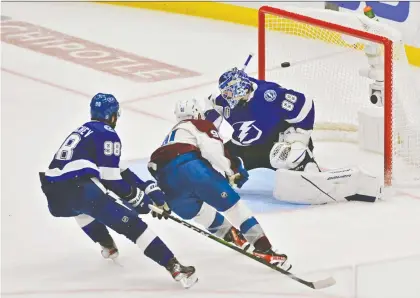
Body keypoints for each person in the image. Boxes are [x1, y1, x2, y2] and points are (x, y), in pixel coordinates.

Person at [39, 93, 198, 289]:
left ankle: (108, 247)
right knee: (134, 226)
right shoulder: (107, 134)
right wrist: (138, 199)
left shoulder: (84, 132)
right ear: (113, 116)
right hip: (80, 188)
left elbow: (121, 171)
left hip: (54, 193)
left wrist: (152, 193)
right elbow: (111, 179)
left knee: (81, 211)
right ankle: (174, 266)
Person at [148, 98, 292, 271]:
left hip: (167, 183)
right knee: (234, 208)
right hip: (193, 170)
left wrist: (161, 197)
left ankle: (229, 234)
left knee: (199, 212)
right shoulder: (200, 124)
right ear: (197, 113)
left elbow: (152, 167)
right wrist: (232, 170)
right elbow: (212, 149)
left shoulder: (170, 137)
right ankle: (265, 249)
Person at [204, 67, 382, 204]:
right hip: (247, 148)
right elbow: (211, 110)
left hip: (277, 143)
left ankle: (309, 166)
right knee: (217, 163)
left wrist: (300, 137)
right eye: (224, 92)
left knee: (288, 160)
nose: (225, 96)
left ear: (240, 88)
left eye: (228, 91)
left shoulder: (268, 96)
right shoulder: (225, 101)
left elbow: (305, 105)